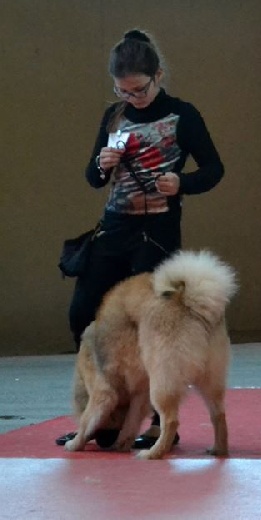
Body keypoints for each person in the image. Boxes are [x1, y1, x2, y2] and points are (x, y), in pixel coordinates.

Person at [56, 29, 224, 449]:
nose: (132, 98)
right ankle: (102, 413)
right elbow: (94, 178)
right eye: (123, 91)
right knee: (84, 315)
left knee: (153, 331)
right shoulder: (114, 116)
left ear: (158, 76)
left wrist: (181, 183)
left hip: (156, 232)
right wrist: (102, 163)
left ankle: (158, 424)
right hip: (114, 228)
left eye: (139, 89)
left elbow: (213, 169)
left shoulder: (182, 115)